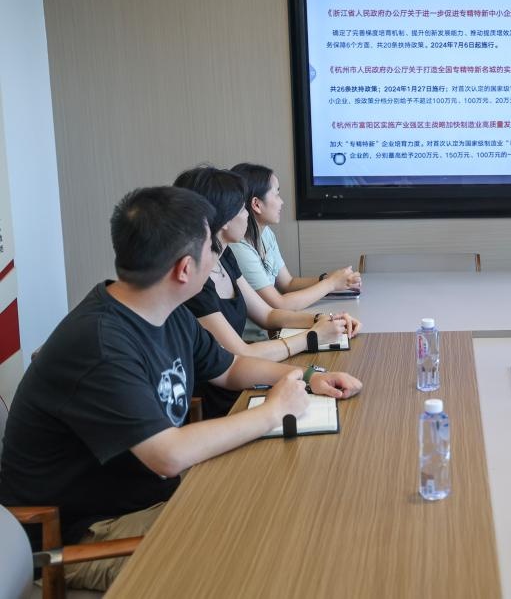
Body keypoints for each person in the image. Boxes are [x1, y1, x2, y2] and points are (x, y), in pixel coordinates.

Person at [0, 187, 362, 590]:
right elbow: (167, 455)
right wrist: (272, 411)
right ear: (185, 269)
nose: (218, 256)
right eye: (212, 247)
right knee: (263, 555)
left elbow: (231, 367)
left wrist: (308, 376)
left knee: (280, 505)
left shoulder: (163, 310)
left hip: (148, 495)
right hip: (86, 531)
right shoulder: (101, 343)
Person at [174, 166, 361, 418]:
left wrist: (322, 320)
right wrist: (312, 336)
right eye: (241, 208)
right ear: (222, 220)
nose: (246, 214)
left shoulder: (224, 256)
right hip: (226, 397)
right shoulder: (196, 283)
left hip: (246, 376)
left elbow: (268, 314)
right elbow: (241, 355)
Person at [229, 163, 360, 338]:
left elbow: (288, 283)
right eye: (276, 194)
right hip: (255, 341)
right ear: (256, 204)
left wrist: (332, 280)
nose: (281, 202)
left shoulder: (265, 233)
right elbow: (279, 304)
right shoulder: (238, 248)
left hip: (272, 333)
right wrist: (331, 283)